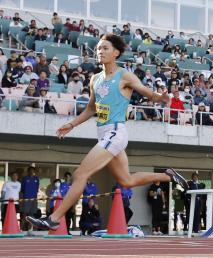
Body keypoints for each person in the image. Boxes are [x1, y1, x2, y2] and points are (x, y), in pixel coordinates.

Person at [26, 33, 188, 230]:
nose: (100, 51)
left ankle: (53, 218)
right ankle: (168, 176)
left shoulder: (124, 76)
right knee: (126, 181)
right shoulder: (95, 79)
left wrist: (160, 98)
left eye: (105, 48)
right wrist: (72, 124)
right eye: (98, 48)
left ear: (116, 53)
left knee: (80, 174)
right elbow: (91, 109)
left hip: (116, 133)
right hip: (104, 134)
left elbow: (145, 91)